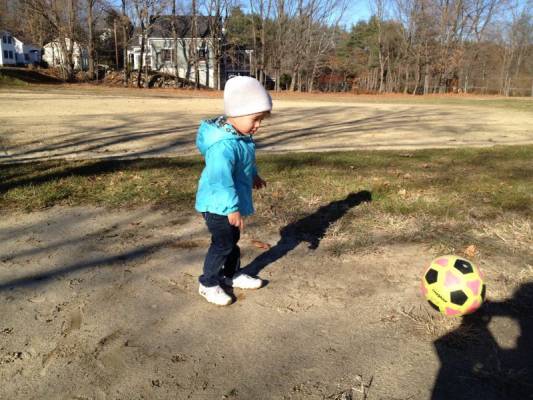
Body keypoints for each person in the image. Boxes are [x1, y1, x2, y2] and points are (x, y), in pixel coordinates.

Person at [195, 76, 272, 305]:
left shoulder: (240, 138)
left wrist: (253, 175)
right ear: (236, 114)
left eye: (261, 120)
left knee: (232, 241)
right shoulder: (223, 146)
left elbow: (245, 161)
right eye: (255, 119)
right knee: (223, 244)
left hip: (229, 203)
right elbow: (221, 181)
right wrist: (231, 209)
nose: (258, 125)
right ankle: (208, 283)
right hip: (218, 205)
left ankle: (230, 274)